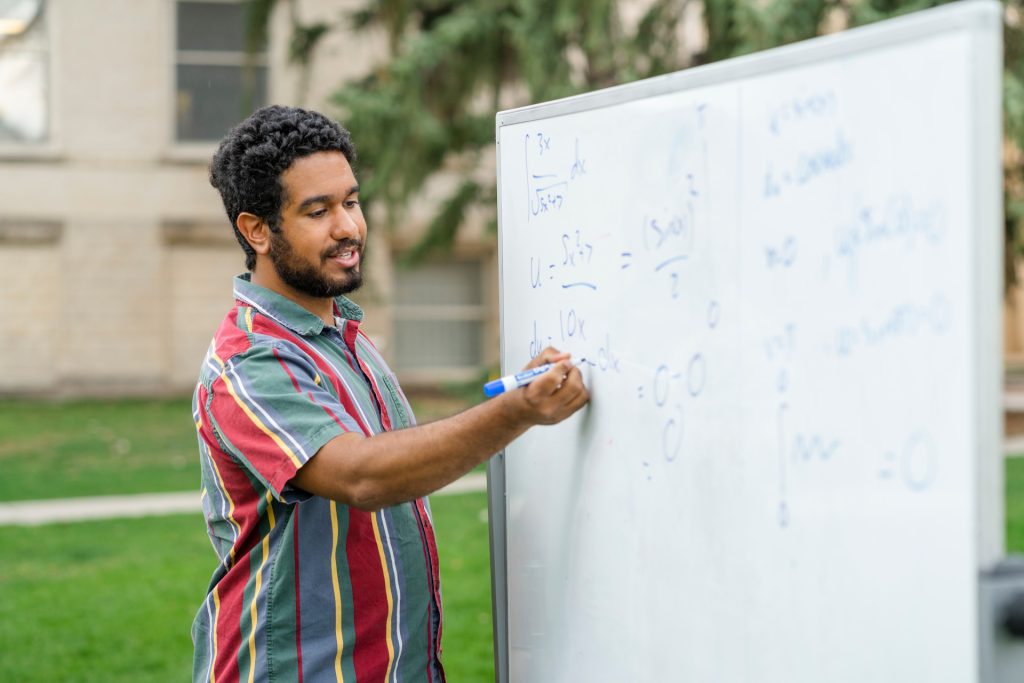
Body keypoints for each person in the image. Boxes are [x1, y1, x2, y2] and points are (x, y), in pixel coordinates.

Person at [190, 104, 588, 683]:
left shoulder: (343, 335)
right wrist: (515, 412)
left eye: (351, 202)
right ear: (257, 231)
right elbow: (364, 477)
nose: (348, 228)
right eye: (317, 211)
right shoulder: (250, 360)